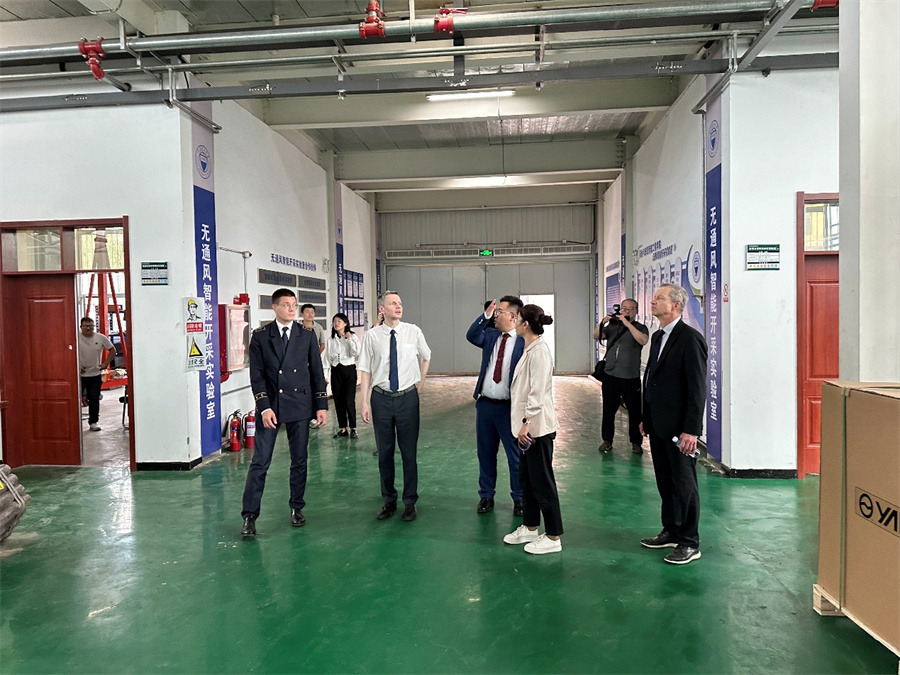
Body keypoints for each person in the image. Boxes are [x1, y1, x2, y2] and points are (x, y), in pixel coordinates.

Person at [240, 289, 328, 537]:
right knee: (260, 462)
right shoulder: (261, 336)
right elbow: (256, 376)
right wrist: (264, 407)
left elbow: (316, 372)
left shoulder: (306, 335)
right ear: (275, 307)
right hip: (271, 406)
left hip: (300, 404)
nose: (291, 309)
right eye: (286, 304)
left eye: (294, 304)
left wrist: (321, 405)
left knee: (299, 460)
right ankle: (249, 516)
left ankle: (297, 507)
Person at [640, 283, 708, 565]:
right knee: (665, 481)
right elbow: (651, 379)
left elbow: (697, 388)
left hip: (680, 429)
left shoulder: (690, 339)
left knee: (684, 484)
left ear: (676, 305)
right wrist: (645, 417)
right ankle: (671, 530)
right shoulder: (658, 337)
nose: (653, 302)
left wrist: (691, 430)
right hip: (658, 424)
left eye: (659, 298)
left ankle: (689, 542)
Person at [358, 291, 431, 522]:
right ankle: (389, 499)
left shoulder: (413, 331)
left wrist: (421, 382)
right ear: (382, 309)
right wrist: (364, 402)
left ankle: (410, 501)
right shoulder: (372, 336)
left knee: (409, 453)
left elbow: (426, 356)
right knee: (385, 453)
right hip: (381, 398)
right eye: (392, 303)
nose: (398, 306)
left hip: (407, 398)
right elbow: (365, 369)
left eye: (400, 303)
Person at [503, 304, 563, 555]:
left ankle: (553, 536)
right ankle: (530, 527)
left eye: (517, 319)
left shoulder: (539, 353)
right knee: (527, 480)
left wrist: (526, 423)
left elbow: (537, 393)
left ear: (525, 324)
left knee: (542, 482)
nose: (514, 322)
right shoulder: (529, 349)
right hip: (527, 429)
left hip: (537, 430)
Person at [465, 296, 525, 516]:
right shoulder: (490, 335)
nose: (496, 315)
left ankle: (519, 498)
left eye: (500, 311)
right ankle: (486, 495)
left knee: (515, 456)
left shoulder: (523, 341)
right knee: (485, 453)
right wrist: (486, 315)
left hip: (509, 408)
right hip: (485, 406)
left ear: (513, 316)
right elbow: (471, 335)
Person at [593, 298, 649, 454]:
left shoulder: (640, 327)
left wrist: (627, 323)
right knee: (608, 410)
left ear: (636, 311)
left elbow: (643, 340)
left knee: (634, 411)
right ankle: (607, 440)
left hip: (630, 376)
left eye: (630, 309)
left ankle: (636, 442)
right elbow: (596, 335)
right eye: (624, 308)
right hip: (610, 374)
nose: (626, 311)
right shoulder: (612, 326)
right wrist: (603, 322)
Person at [325, 312, 361, 439]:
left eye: (339, 321)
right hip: (336, 370)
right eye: (334, 321)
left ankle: (353, 428)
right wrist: (325, 374)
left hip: (349, 370)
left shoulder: (353, 337)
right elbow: (327, 358)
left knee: (349, 400)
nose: (336, 323)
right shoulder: (330, 339)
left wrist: (349, 338)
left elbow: (356, 353)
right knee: (338, 400)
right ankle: (343, 428)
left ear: (345, 323)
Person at [78, 317, 115, 432]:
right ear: (81, 327)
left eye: (91, 326)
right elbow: (67, 351)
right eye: (86, 326)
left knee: (94, 399)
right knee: (75, 399)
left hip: (95, 374)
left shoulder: (100, 337)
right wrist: (76, 366)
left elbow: (112, 350)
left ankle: (93, 422)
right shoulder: (75, 338)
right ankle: (75, 422)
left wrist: (105, 364)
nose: (89, 328)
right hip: (78, 376)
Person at [300, 303, 327, 429]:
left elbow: (322, 344)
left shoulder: (318, 327)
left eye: (312, 312)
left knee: (315, 387)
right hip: (300, 364)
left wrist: (314, 357)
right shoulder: (297, 328)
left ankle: (314, 416)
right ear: (302, 314)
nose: (310, 314)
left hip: (314, 363)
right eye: (307, 312)